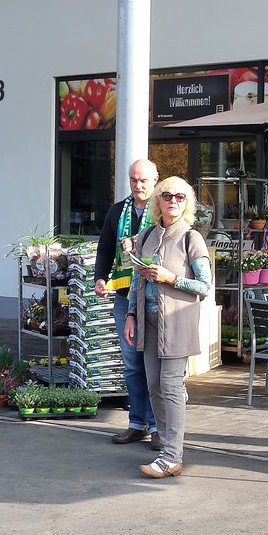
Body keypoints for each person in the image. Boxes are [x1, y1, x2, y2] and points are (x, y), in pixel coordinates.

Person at [125, 177, 213, 479]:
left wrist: (170, 278)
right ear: (157, 201)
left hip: (177, 322)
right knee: (154, 386)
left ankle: (172, 456)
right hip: (149, 324)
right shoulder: (147, 234)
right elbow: (137, 278)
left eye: (179, 196)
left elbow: (205, 286)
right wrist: (131, 314)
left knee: (171, 387)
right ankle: (165, 445)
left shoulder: (191, 239)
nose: (172, 201)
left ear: (186, 202)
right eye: (166, 195)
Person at [94, 159, 160, 449]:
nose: (138, 185)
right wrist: (99, 277)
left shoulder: (164, 210)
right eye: (134, 179)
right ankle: (137, 423)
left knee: (154, 365)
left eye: (144, 180)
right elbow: (105, 248)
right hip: (124, 297)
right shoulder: (116, 211)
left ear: (155, 180)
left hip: (156, 298)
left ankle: (159, 426)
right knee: (132, 364)